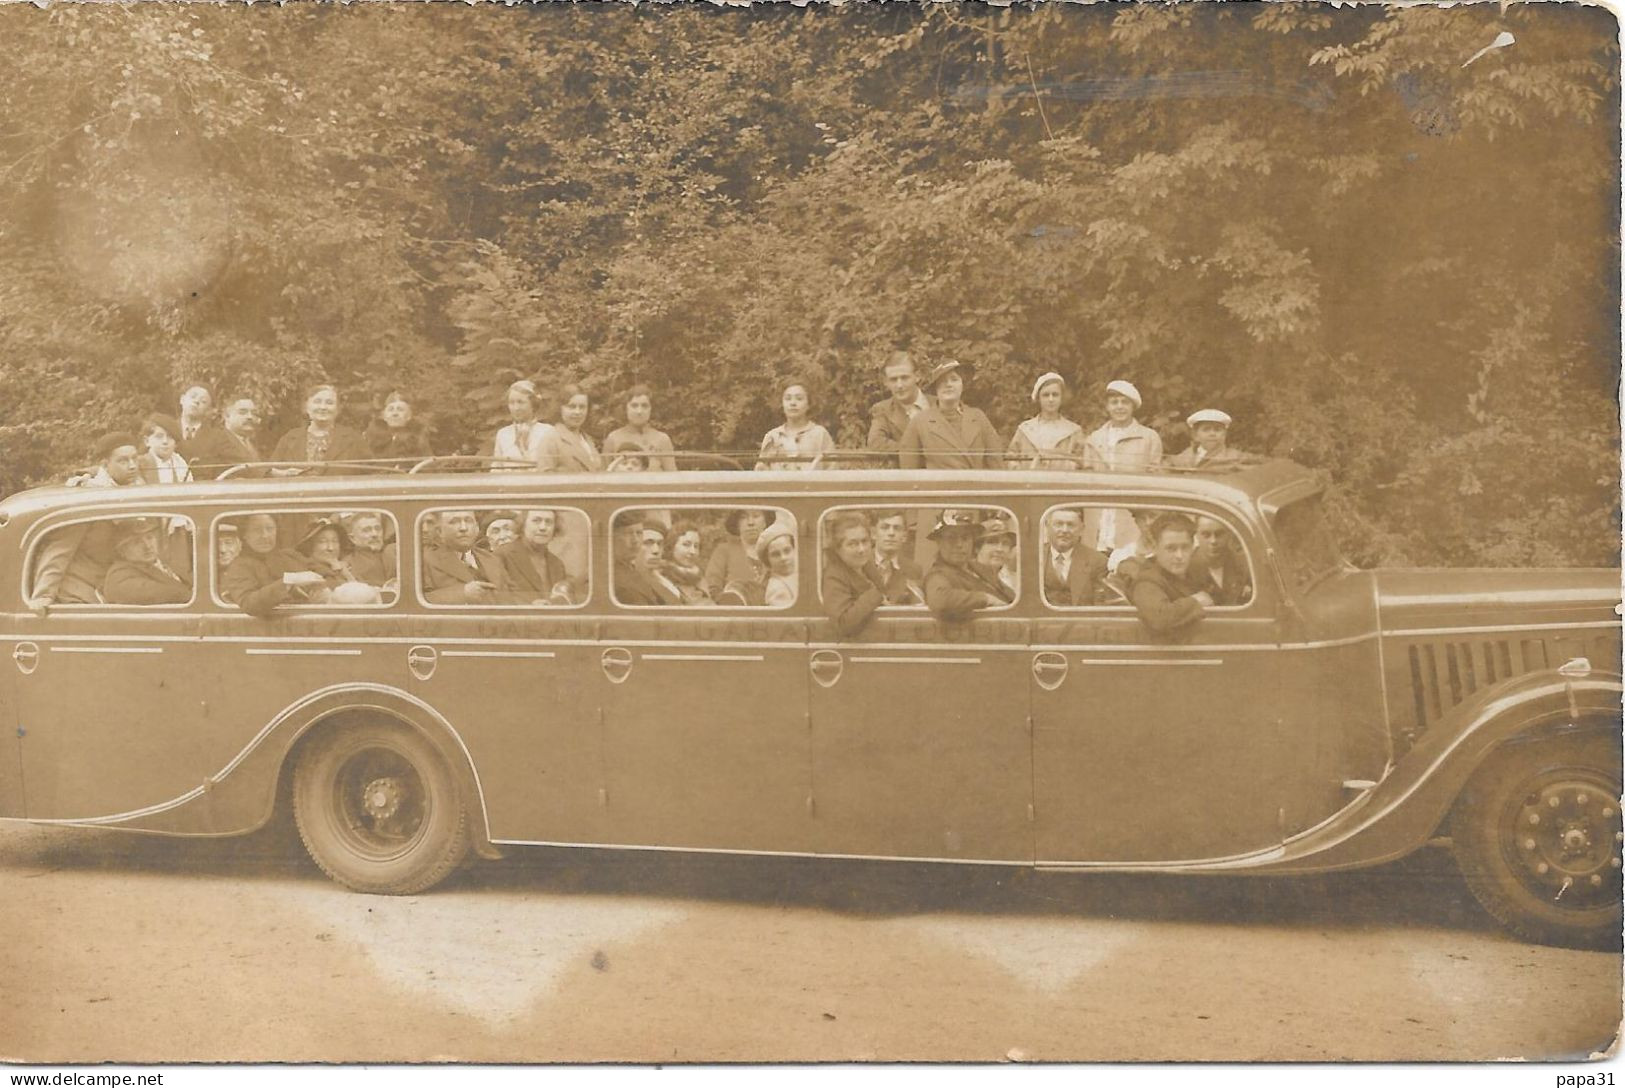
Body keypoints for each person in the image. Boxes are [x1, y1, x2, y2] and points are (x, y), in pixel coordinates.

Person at [29, 434, 142, 613]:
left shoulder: (134, 486)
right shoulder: (89, 497)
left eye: (135, 458)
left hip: (113, 580)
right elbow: (60, 549)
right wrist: (43, 595)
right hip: (80, 588)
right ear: (105, 465)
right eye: (123, 460)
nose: (133, 465)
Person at [1084, 379, 1163, 553]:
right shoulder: (1094, 439)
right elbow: (1086, 482)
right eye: (1114, 402)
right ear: (1107, 406)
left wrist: (1147, 521)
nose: (1119, 407)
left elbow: (1156, 485)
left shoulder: (1148, 438)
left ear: (1133, 406)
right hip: (1098, 519)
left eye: (1125, 402)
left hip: (1131, 522)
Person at [897, 360, 1003, 469]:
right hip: (939, 485)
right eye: (942, 381)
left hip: (974, 485)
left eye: (954, 379)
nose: (948, 384)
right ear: (936, 388)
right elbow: (909, 470)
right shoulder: (920, 421)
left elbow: (996, 464)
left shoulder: (978, 417)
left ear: (963, 385)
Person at [220, 514, 331, 617]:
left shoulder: (290, 555)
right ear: (245, 535)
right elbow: (248, 603)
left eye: (270, 529)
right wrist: (289, 581)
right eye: (257, 530)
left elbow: (331, 577)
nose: (265, 535)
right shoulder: (239, 566)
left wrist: (321, 588)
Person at [821, 512, 910, 636]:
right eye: (852, 544)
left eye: (865, 541)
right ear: (838, 548)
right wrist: (875, 596)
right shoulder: (834, 576)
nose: (862, 549)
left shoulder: (867, 568)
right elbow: (842, 623)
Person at [1128, 512, 1212, 635]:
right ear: (1155, 547)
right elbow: (1160, 618)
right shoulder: (1147, 581)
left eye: (1185, 547)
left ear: (1193, 546)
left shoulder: (1195, 573)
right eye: (1171, 548)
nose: (1179, 556)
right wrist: (1196, 601)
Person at [922, 513, 1012, 621]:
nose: (959, 544)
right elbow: (939, 599)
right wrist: (985, 598)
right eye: (952, 538)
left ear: (972, 541)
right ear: (939, 542)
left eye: (965, 538)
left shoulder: (979, 568)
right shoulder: (938, 574)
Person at [271, 384, 369, 473]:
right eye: (317, 402)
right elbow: (270, 472)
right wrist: (283, 474)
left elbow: (375, 474)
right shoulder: (290, 438)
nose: (323, 407)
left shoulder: (353, 439)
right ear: (306, 407)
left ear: (338, 408)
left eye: (329, 403)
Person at [422, 509, 511, 605]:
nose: (463, 528)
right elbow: (417, 601)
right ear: (440, 531)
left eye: (468, 521)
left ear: (477, 528)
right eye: (454, 522)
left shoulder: (492, 559)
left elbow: (512, 596)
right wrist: (462, 593)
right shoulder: (426, 560)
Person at [102, 518, 192, 605]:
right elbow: (156, 593)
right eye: (137, 542)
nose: (147, 546)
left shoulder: (158, 564)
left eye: (149, 538)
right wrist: (194, 595)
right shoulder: (119, 575)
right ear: (122, 550)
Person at [1007, 372, 1087, 469]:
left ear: (1061, 398)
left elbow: (1083, 462)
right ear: (1038, 398)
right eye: (1046, 395)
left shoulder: (1074, 431)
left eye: (1055, 395)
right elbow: (1011, 457)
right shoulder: (1025, 429)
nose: (1051, 399)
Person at [756, 379, 837, 470]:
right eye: (788, 399)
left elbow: (832, 470)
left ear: (809, 404)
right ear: (781, 404)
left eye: (799, 398)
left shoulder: (820, 434)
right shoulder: (772, 436)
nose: (793, 403)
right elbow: (760, 471)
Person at [501, 509, 577, 605]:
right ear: (523, 525)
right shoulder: (503, 555)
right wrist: (528, 607)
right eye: (536, 521)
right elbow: (497, 597)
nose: (543, 527)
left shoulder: (557, 564)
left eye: (548, 522)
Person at [296, 518, 377, 601]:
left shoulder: (347, 568)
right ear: (310, 546)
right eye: (322, 541)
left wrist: (345, 572)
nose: (330, 548)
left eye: (335, 541)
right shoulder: (303, 571)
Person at [603, 385, 678, 472]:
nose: (639, 411)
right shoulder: (613, 439)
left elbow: (673, 476)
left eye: (644, 406)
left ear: (651, 409)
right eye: (634, 406)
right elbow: (604, 475)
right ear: (626, 408)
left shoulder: (662, 439)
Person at [1041, 507, 1106, 607]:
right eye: (1058, 524)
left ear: (1081, 529)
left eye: (1071, 525)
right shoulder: (1034, 557)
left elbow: (1100, 607)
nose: (1064, 530)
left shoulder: (1097, 561)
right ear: (1047, 526)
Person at [186, 397, 262, 479]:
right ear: (227, 416)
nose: (250, 417)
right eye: (242, 412)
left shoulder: (248, 442)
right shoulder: (216, 438)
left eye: (254, 413)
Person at [703, 508, 769, 600]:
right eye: (743, 517)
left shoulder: (776, 552)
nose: (750, 522)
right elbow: (712, 589)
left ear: (765, 522)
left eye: (756, 516)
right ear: (737, 524)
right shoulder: (724, 551)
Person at [611, 511, 670, 606]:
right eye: (628, 533)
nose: (635, 540)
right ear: (613, 537)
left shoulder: (632, 569)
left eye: (639, 533)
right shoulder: (610, 575)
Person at [490, 380, 553, 470]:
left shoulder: (548, 432)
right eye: (512, 403)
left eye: (521, 402)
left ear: (533, 404)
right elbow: (496, 469)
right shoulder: (503, 434)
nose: (516, 408)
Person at [1191, 515, 1251, 606]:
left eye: (1219, 534)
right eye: (1206, 535)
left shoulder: (1246, 565)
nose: (1213, 541)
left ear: (1229, 534)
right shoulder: (1186, 569)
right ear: (1196, 536)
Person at [871, 509, 924, 604]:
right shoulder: (859, 564)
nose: (891, 533)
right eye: (885, 527)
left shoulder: (913, 570)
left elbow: (916, 607)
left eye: (897, 528)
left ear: (904, 536)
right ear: (874, 533)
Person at [365, 391, 434, 463]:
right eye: (390, 410)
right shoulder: (371, 439)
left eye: (400, 409)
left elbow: (428, 466)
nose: (395, 414)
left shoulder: (419, 438)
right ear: (384, 416)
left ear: (409, 416)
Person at [342, 511, 398, 590]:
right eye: (366, 530)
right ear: (353, 538)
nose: (374, 534)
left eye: (378, 529)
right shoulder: (348, 564)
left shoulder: (395, 552)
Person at [1169, 408, 1243, 468]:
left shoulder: (1235, 458)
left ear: (1224, 435)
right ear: (1195, 435)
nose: (1212, 434)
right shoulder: (1184, 457)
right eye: (1206, 429)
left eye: (1217, 430)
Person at [662, 521, 712, 605]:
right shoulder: (663, 579)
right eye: (686, 545)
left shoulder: (700, 577)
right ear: (672, 546)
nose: (693, 551)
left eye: (696, 546)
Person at [136, 414, 191, 484]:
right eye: (159, 436)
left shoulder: (180, 464)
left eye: (170, 437)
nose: (165, 441)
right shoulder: (140, 465)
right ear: (147, 441)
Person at [976, 514, 1020, 598]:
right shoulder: (968, 578)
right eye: (992, 542)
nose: (1000, 549)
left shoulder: (1017, 580)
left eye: (1005, 543)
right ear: (977, 548)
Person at [755, 521, 798, 607]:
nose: (783, 558)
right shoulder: (777, 589)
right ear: (768, 561)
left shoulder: (797, 576)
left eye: (787, 551)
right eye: (775, 554)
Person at [174, 384, 214, 460]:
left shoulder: (216, 437)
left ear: (208, 409)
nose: (196, 401)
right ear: (182, 399)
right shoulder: (167, 430)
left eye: (203, 401)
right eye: (193, 397)